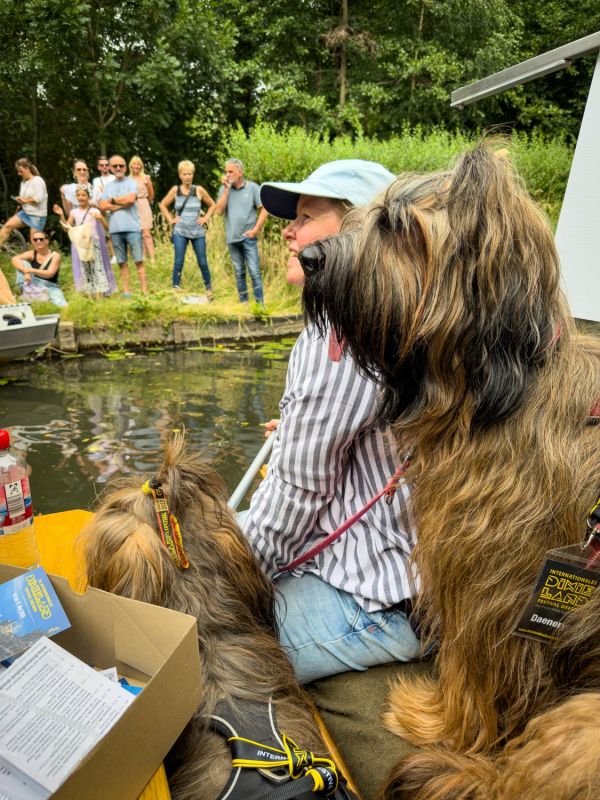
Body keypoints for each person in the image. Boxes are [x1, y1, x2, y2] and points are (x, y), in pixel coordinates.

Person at [241, 160, 421, 683]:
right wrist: (302, 432)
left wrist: (222, 576)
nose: (287, 231)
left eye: (306, 215)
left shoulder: (337, 335)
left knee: (208, 652)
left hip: (375, 599)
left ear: (361, 227)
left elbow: (295, 495)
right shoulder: (398, 317)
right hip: (409, 574)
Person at [159, 160, 216, 297]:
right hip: (180, 231)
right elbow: (162, 205)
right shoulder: (175, 190)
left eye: (190, 174)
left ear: (193, 175)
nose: (187, 177)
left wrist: (205, 218)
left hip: (197, 231)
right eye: (185, 174)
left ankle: (208, 288)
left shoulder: (199, 190)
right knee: (179, 260)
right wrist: (171, 220)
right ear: (180, 175)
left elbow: (212, 205)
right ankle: (175, 288)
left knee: (202, 261)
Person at [215, 158, 267, 304]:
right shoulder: (224, 190)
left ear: (240, 173)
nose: (227, 175)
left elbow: (264, 210)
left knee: (254, 271)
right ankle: (244, 303)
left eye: (230, 171)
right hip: (232, 238)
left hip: (248, 238)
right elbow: (219, 211)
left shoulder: (253, 188)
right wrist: (225, 190)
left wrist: (255, 230)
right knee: (239, 272)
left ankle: (260, 305)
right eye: (226, 172)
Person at [98, 155, 147, 296]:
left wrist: (112, 200)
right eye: (115, 166)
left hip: (132, 228)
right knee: (122, 262)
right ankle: (127, 292)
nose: (118, 168)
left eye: (121, 165)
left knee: (139, 261)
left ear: (126, 167)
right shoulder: (108, 186)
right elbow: (102, 205)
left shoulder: (132, 183)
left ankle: (144, 292)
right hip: (115, 230)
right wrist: (121, 204)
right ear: (110, 168)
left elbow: (131, 199)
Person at [53, 187, 116, 298]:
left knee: (97, 268)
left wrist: (100, 218)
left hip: (93, 243)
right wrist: (62, 215)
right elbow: (67, 228)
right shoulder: (74, 212)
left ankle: (100, 294)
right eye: (79, 195)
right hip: (81, 244)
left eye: (83, 195)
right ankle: (90, 295)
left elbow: (107, 228)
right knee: (85, 269)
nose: (81, 198)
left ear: (88, 197)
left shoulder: (94, 211)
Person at [11, 232, 67, 306]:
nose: (38, 241)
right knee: (23, 262)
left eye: (41, 239)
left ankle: (37, 296)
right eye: (35, 240)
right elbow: (15, 258)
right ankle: (25, 290)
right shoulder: (31, 253)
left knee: (62, 304)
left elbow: (50, 273)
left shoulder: (55, 256)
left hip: (49, 285)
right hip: (32, 282)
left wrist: (31, 270)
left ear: (47, 241)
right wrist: (25, 271)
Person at [0, 159, 48, 245]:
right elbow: (24, 200)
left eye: (20, 171)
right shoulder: (24, 182)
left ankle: (44, 257)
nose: (19, 174)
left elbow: (38, 199)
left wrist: (25, 200)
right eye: (18, 171)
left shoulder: (38, 181)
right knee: (7, 226)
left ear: (27, 168)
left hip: (37, 216)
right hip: (25, 213)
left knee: (35, 243)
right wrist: (20, 202)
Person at [128, 156, 155, 261]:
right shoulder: (128, 179)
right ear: (131, 165)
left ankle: (152, 257)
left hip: (144, 204)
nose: (136, 166)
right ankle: (142, 256)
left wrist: (144, 203)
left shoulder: (146, 178)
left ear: (141, 166)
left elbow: (152, 194)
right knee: (138, 233)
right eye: (134, 164)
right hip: (132, 206)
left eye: (138, 164)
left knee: (146, 233)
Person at [92, 155, 117, 263]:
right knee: (105, 233)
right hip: (102, 209)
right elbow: (97, 195)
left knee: (115, 232)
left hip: (114, 208)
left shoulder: (114, 177)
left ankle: (117, 255)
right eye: (102, 165)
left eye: (107, 165)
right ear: (98, 167)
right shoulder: (96, 180)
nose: (105, 167)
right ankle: (110, 256)